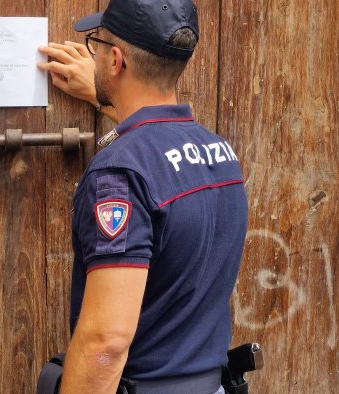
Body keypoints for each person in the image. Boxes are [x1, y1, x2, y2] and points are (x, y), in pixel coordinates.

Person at [38, 1, 248, 393]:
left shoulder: (119, 174)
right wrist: (108, 99)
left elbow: (107, 342)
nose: (94, 54)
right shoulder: (220, 153)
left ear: (115, 60)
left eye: (96, 44)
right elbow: (159, 157)